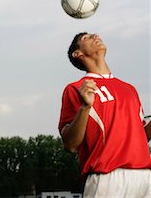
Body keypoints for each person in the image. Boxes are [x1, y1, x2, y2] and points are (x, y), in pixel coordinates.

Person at [58, 32, 151, 197]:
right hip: (107, 177)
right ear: (77, 53)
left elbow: (142, 136)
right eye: (86, 38)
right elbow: (70, 145)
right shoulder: (76, 89)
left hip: (145, 176)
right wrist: (85, 107)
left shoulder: (129, 89)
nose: (95, 35)